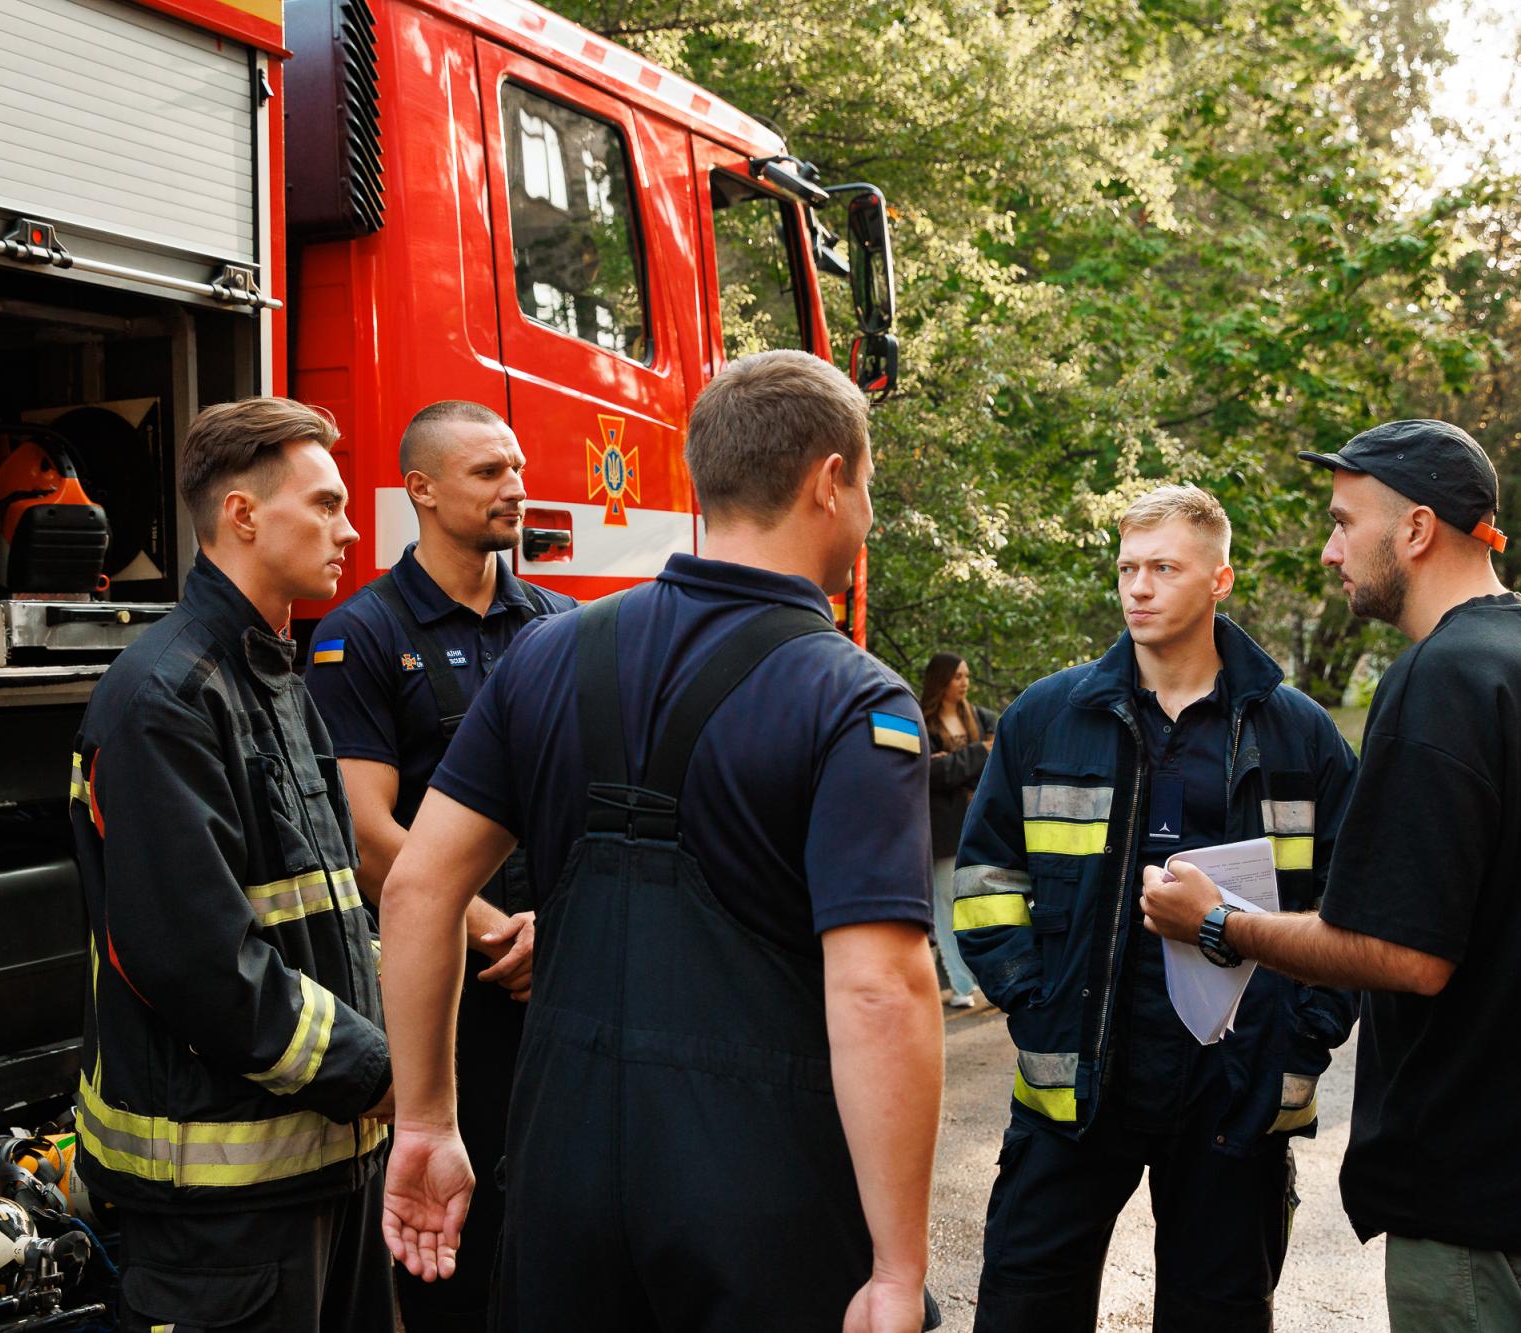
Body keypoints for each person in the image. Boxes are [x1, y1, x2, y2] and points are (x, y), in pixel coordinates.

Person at [375, 350, 945, 1332]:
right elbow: (878, 987)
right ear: (830, 480)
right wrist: (896, 1265)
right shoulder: (851, 699)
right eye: (868, 486)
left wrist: (426, 1121)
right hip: (763, 1206)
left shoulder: (546, 654)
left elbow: (417, 888)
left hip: (558, 1186)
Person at [1141, 420, 1521, 1333]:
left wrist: (1218, 923)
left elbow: (1404, 952)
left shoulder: (1442, 676)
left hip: (1486, 1195)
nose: (1331, 549)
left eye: (1343, 522)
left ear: (1415, 530)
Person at [954, 483, 1358, 1331]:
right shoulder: (1045, 718)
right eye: (1127, 567)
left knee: (1218, 1312)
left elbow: (1351, 905)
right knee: (1027, 1305)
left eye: (1163, 567)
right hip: (1079, 1083)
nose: (1138, 587)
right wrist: (1035, 1004)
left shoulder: (1300, 736)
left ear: (1220, 580)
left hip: (1236, 1091)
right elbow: (987, 877)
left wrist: (1306, 1025)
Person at [68, 398, 394, 1332]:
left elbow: (322, 914)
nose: (350, 528)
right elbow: (198, 958)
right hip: (224, 1211)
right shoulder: (166, 697)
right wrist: (373, 1071)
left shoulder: (272, 675)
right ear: (244, 516)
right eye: (325, 505)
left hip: (319, 1169)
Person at [303, 400, 575, 1330]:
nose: (516, 486)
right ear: (420, 489)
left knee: (565, 1231)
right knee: (457, 1249)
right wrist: (495, 931)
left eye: (518, 468)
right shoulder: (362, 635)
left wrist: (559, 927)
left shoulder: (561, 625)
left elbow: (593, 810)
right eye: (489, 472)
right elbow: (368, 831)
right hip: (453, 995)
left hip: (559, 982)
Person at [922, 652, 996, 1009]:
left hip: (980, 823)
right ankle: (960, 984)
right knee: (945, 906)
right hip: (943, 830)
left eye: (967, 675)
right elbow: (933, 775)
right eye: (957, 677)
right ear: (941, 681)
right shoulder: (924, 722)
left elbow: (998, 758)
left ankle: (985, 974)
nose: (965, 682)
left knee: (981, 901)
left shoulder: (981, 717)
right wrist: (978, 752)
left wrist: (955, 763)